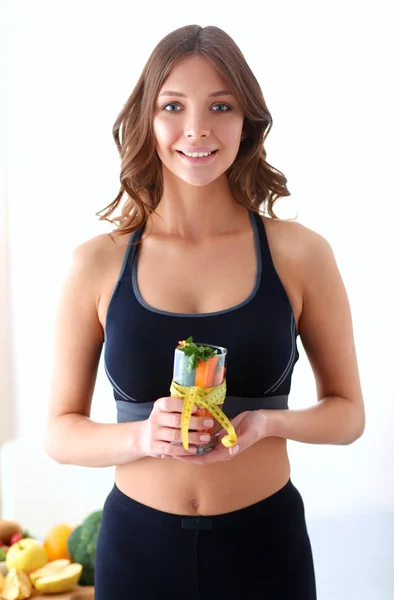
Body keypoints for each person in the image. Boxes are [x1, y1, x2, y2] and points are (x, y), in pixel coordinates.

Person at [44, 24, 365, 600]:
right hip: (138, 550)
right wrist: (144, 437)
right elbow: (60, 433)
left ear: (248, 122)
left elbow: (347, 415)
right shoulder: (96, 263)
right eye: (173, 106)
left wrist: (268, 424)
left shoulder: (299, 253)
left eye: (221, 105)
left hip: (265, 545)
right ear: (147, 118)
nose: (197, 129)